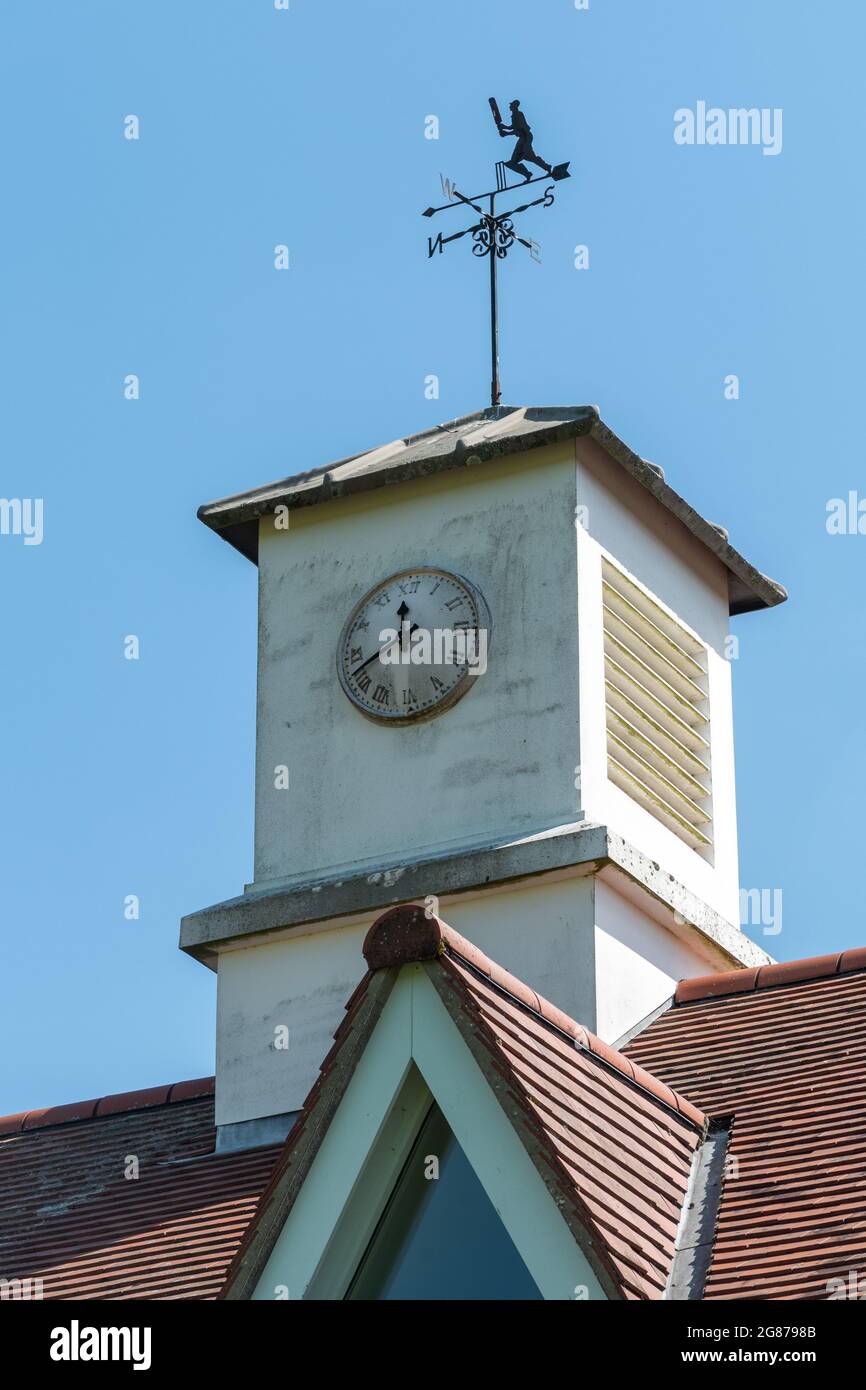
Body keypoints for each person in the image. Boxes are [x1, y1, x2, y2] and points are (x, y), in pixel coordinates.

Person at [500, 101, 552, 181]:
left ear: (515, 106)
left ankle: (546, 167)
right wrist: (504, 127)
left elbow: (518, 130)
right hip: (522, 138)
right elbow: (513, 127)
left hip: (526, 137)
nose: (509, 107)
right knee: (512, 163)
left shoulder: (519, 115)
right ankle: (527, 174)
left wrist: (506, 133)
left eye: (511, 105)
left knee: (529, 156)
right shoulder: (514, 115)